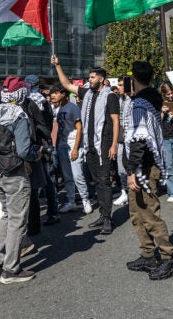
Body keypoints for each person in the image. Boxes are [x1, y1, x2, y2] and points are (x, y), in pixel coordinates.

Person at [123, 61, 173, 280]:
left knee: (148, 213)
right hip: (142, 165)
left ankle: (168, 258)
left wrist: (131, 170)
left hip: (143, 167)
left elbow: (139, 139)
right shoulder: (149, 98)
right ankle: (148, 254)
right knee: (137, 212)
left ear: (133, 79)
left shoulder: (141, 103)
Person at [51, 54, 120, 235]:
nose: (89, 80)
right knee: (96, 181)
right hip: (89, 146)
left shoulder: (110, 96)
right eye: (89, 77)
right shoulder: (87, 93)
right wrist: (58, 65)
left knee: (104, 182)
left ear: (101, 79)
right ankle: (102, 214)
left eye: (92, 77)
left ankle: (107, 219)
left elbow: (115, 121)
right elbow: (66, 85)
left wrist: (114, 145)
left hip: (103, 144)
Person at [0, 76, 40, 284]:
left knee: (7, 215)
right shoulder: (19, 115)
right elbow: (25, 150)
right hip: (14, 174)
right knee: (17, 220)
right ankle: (11, 270)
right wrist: (37, 155)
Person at [23, 74, 59, 227]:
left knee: (45, 180)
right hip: (43, 143)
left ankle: (51, 213)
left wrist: (46, 142)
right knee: (46, 180)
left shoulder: (33, 102)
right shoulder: (42, 101)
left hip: (39, 145)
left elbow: (42, 125)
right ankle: (52, 212)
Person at [50, 85, 92, 214]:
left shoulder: (72, 108)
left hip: (74, 145)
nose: (53, 95)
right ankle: (71, 201)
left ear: (64, 94)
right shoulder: (57, 109)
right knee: (67, 176)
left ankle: (85, 200)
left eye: (56, 92)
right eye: (52, 93)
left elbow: (79, 127)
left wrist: (75, 148)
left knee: (77, 175)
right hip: (62, 146)